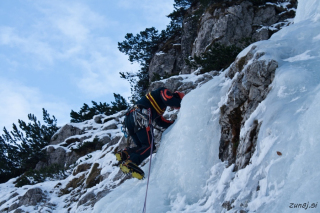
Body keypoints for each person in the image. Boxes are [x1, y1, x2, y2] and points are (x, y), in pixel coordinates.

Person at [115, 87, 185, 179]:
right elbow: (168, 99)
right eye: (176, 106)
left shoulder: (161, 106)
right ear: (176, 97)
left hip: (130, 119)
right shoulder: (164, 91)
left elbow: (160, 122)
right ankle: (131, 162)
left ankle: (125, 154)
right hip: (139, 116)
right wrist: (184, 103)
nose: (174, 108)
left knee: (142, 147)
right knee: (150, 146)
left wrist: (174, 123)